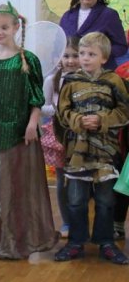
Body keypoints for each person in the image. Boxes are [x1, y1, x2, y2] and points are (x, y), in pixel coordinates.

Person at [0, 2, 58, 259]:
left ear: (16, 27)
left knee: (16, 188)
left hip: (20, 135)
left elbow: (36, 98)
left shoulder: (27, 60)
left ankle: (14, 242)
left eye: (4, 27)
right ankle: (0, 240)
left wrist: (32, 124)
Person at [54, 32, 129, 265]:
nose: (85, 58)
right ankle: (75, 242)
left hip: (106, 153)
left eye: (91, 54)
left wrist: (101, 120)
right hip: (77, 152)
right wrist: (78, 120)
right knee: (76, 199)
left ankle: (106, 242)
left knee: (106, 200)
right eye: (82, 53)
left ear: (104, 58)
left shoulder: (114, 81)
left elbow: (124, 111)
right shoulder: (70, 81)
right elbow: (62, 113)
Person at [40, 36, 80, 238]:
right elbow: (43, 107)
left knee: (80, 180)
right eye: (66, 56)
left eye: (75, 55)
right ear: (59, 57)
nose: (70, 61)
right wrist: (58, 109)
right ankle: (66, 222)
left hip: (81, 136)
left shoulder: (85, 80)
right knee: (62, 179)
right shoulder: (52, 80)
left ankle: (80, 222)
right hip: (59, 135)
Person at [59, 0, 127, 70]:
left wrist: (98, 54)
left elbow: (121, 47)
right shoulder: (67, 16)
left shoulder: (109, 15)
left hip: (101, 73)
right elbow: (58, 46)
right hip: (71, 73)